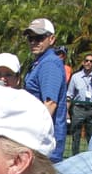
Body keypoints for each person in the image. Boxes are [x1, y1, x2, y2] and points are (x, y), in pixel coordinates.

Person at [22, 17, 69, 163]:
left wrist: (33, 135)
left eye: (39, 37)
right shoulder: (40, 62)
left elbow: (50, 104)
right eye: (31, 38)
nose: (34, 42)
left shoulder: (49, 64)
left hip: (43, 145)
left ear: (52, 39)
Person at [67, 52, 92, 155]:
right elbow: (69, 94)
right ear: (83, 62)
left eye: (91, 61)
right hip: (79, 108)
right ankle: (75, 156)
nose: (88, 63)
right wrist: (67, 112)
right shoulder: (76, 77)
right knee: (76, 134)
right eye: (86, 61)